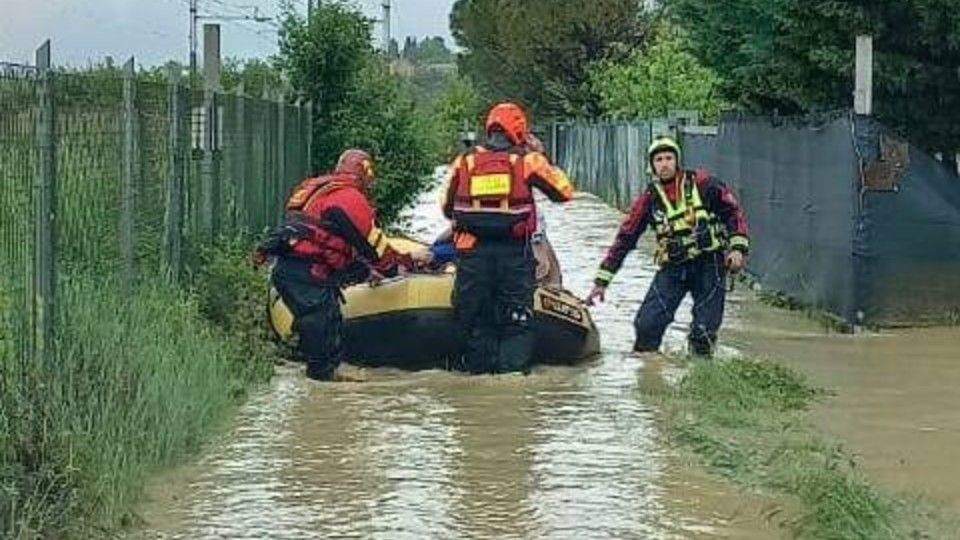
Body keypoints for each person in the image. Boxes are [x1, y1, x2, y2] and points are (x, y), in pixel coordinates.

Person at [440, 102, 574, 374]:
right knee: (517, 323)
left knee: (476, 322)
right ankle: (511, 387)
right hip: (514, 255)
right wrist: (539, 155)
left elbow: (445, 206)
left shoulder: (464, 161)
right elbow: (565, 191)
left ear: (489, 128)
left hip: (473, 258)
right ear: (520, 130)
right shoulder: (528, 160)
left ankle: (480, 390)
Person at [254, 149, 411, 381]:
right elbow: (372, 244)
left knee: (326, 319)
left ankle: (318, 376)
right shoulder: (349, 198)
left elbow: (333, 243)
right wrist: (396, 269)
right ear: (364, 172)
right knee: (320, 322)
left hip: (294, 270)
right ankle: (322, 384)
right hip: (306, 274)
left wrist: (365, 271)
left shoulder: (322, 190)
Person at [586, 136, 750, 357]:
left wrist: (737, 248)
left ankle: (701, 377)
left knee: (703, 333)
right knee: (646, 326)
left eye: (669, 158)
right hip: (674, 267)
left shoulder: (704, 184)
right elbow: (625, 238)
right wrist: (602, 281)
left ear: (677, 161)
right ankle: (648, 375)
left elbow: (733, 213)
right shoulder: (649, 199)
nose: (664, 164)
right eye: (659, 159)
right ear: (652, 165)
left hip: (709, 265)